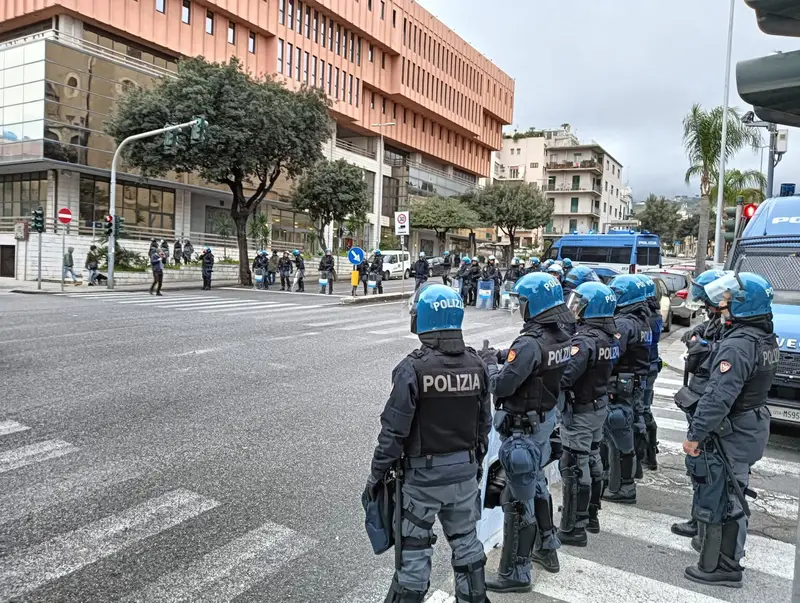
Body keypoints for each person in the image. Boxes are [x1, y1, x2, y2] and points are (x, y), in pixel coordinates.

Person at [365, 284, 492, 603]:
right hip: (463, 475)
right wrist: (472, 466)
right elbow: (483, 425)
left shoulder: (412, 369)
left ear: (424, 319)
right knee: (467, 546)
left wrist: (376, 475)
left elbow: (393, 433)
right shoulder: (476, 366)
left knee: (414, 556)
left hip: (422, 482)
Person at [480, 273, 575, 592]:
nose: (519, 306)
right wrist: (503, 356)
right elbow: (533, 366)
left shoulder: (529, 343)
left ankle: (516, 573)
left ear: (533, 305)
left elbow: (501, 384)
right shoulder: (561, 336)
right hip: (544, 422)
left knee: (517, 503)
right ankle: (546, 548)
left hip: (522, 430)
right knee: (536, 486)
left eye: (522, 301)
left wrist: (488, 364)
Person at [683, 272, 778, 588]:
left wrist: (695, 435)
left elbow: (718, 396)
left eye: (726, 300)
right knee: (733, 491)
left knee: (723, 497)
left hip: (731, 430)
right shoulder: (762, 337)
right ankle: (725, 560)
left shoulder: (738, 345)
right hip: (748, 424)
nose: (721, 306)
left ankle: (722, 566)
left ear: (743, 303)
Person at [558, 282, 618, 545]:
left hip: (581, 411)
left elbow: (565, 376)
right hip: (598, 406)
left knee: (574, 464)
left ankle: (575, 526)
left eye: (580, 305)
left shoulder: (583, 342)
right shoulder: (607, 337)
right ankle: (591, 515)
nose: (575, 310)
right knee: (593, 458)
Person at [670, 269, 727, 539]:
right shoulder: (716, 317)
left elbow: (723, 353)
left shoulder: (733, 325)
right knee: (700, 465)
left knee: (706, 465)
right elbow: (708, 331)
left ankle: (704, 525)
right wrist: (696, 333)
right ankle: (699, 518)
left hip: (709, 399)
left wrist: (704, 345)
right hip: (699, 395)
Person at [601, 275, 651, 505]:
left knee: (618, 437)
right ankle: (623, 480)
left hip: (619, 385)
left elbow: (611, 354)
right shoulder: (642, 320)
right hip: (633, 384)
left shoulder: (623, 323)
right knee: (624, 433)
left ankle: (623, 487)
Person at [636, 275, 663, 475]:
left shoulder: (643, 317)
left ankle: (643, 456)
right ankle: (650, 453)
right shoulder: (654, 313)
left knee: (639, 411)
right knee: (645, 409)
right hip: (651, 366)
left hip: (643, 368)